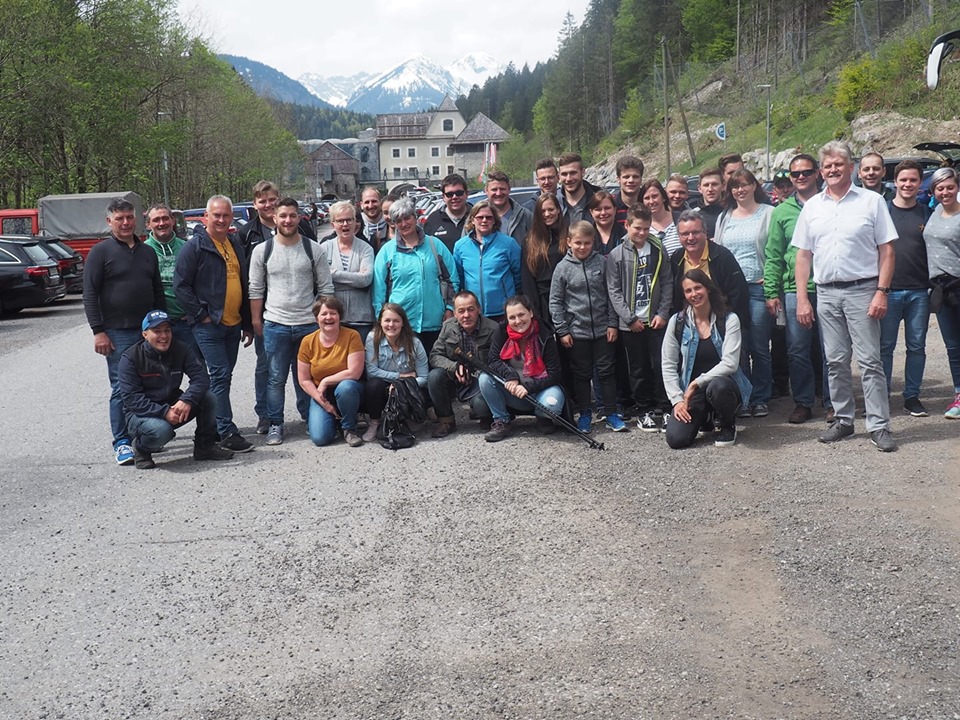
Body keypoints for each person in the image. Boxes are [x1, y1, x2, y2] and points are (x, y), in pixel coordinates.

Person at [792, 140, 898, 452]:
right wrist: (802, 298)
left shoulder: (871, 202)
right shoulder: (812, 207)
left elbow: (887, 250)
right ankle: (843, 419)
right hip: (826, 293)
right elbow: (803, 256)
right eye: (828, 166)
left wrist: (882, 291)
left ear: (851, 168)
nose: (833, 170)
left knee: (869, 361)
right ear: (821, 172)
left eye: (839, 164)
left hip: (863, 290)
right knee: (835, 360)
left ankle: (879, 425)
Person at [83, 198, 165, 465]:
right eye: (120, 218)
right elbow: (89, 294)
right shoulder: (100, 252)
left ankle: (143, 434)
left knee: (149, 384)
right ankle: (121, 442)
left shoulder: (147, 252)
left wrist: (162, 327)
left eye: (129, 217)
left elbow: (157, 292)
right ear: (110, 222)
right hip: (116, 332)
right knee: (121, 387)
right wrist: (98, 331)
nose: (126, 222)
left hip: (147, 332)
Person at [248, 198, 335, 446]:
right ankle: (276, 423)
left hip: (308, 325)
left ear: (299, 218)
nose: (287, 220)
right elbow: (255, 288)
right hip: (275, 324)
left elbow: (326, 288)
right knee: (275, 378)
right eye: (283, 216)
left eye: (292, 216)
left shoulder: (313, 250)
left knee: (305, 377)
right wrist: (256, 321)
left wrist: (325, 321)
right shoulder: (262, 251)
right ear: (274, 218)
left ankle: (309, 418)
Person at [174, 195, 255, 454]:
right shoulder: (195, 247)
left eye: (226, 215)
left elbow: (242, 283)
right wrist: (201, 315)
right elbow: (181, 286)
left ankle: (215, 428)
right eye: (216, 215)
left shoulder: (233, 243)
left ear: (232, 218)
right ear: (205, 217)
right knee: (219, 377)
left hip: (232, 324)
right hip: (209, 326)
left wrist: (247, 323)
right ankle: (225, 431)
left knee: (223, 378)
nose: (221, 220)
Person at [237, 180, 316, 435]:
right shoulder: (247, 234)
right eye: (263, 201)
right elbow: (247, 282)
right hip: (270, 318)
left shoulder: (303, 229)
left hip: (304, 316)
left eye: (272, 199)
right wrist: (252, 321)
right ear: (255, 204)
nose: (268, 205)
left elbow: (314, 271)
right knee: (269, 370)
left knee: (303, 370)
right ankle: (267, 417)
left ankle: (308, 415)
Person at [118, 310, 234, 468]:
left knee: (209, 397)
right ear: (145, 334)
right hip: (140, 414)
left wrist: (186, 400)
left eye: (167, 330)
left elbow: (201, 378)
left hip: (173, 405)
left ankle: (205, 447)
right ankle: (141, 448)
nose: (164, 336)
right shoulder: (130, 358)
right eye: (157, 331)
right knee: (161, 431)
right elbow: (132, 399)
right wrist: (164, 412)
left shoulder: (181, 349)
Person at [764, 153, 831, 424]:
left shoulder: (831, 204)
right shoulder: (781, 212)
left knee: (831, 349)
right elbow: (773, 255)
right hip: (794, 290)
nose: (801, 177)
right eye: (795, 174)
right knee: (797, 349)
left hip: (828, 286)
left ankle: (832, 402)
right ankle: (803, 402)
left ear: (817, 173)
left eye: (806, 172)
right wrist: (771, 292)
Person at [662, 270, 753, 449]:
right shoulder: (677, 322)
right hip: (691, 392)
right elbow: (668, 364)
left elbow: (730, 364)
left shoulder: (729, 320)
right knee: (676, 440)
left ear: (708, 289)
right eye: (688, 291)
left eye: (698, 288)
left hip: (723, 386)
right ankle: (704, 418)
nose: (694, 294)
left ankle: (727, 425)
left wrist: (696, 383)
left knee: (718, 386)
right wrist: (677, 400)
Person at [550, 221, 626, 432]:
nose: (582, 247)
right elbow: (555, 301)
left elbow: (612, 294)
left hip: (603, 330)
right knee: (581, 375)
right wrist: (562, 330)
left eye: (587, 243)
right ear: (569, 243)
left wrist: (613, 323)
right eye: (578, 243)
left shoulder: (602, 263)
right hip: (577, 333)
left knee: (606, 372)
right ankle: (584, 414)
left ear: (593, 242)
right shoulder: (562, 268)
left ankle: (611, 412)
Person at [607, 205, 674, 431]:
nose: (642, 233)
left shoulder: (658, 248)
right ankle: (643, 411)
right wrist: (629, 318)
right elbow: (614, 291)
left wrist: (663, 313)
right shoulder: (617, 255)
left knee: (660, 365)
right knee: (638, 369)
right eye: (637, 228)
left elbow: (667, 282)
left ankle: (665, 409)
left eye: (646, 229)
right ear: (627, 226)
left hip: (655, 319)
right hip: (632, 324)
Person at [715, 168, 774, 417]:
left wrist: (770, 283)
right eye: (735, 186)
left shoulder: (769, 213)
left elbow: (774, 251)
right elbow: (718, 253)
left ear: (754, 186)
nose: (740, 190)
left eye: (745, 184)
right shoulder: (725, 217)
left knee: (760, 346)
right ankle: (744, 397)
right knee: (738, 348)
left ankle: (761, 397)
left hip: (758, 288)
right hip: (731, 292)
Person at [372, 197, 459, 354]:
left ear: (415, 217)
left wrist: (450, 308)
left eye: (407, 218)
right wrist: (382, 318)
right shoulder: (387, 251)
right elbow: (379, 289)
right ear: (393, 223)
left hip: (436, 322)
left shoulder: (435, 245)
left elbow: (452, 279)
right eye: (398, 220)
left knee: (436, 372)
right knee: (408, 372)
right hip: (401, 325)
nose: (404, 224)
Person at [880, 160, 932, 417]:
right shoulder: (884, 211)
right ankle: (882, 396)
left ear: (920, 182)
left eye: (913, 180)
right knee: (885, 347)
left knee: (917, 346)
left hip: (919, 290)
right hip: (888, 290)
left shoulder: (926, 213)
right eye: (903, 180)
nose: (908, 184)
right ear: (895, 182)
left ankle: (912, 396)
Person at [479, 295, 566, 442]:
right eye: (512, 317)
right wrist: (511, 376)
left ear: (530, 313)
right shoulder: (501, 332)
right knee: (484, 378)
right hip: (514, 392)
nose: (518, 321)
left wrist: (529, 388)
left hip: (539, 390)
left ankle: (542, 417)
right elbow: (493, 360)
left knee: (552, 404)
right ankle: (501, 421)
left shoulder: (545, 334)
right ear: (507, 319)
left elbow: (555, 373)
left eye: (521, 315)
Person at [427, 291, 498, 437]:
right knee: (434, 377)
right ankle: (446, 421)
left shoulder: (493, 329)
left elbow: (499, 362)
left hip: (481, 380)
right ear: (455, 313)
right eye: (461, 311)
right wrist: (454, 367)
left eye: (470, 309)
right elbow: (435, 355)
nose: (466, 315)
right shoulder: (447, 327)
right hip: (455, 377)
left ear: (479, 309)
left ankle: (486, 416)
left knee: (480, 406)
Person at [296, 296, 365, 447]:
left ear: (339, 316)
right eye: (324, 314)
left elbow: (354, 372)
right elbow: (304, 380)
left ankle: (349, 428)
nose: (329, 317)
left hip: (348, 389)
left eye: (333, 313)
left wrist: (326, 381)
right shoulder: (307, 341)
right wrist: (324, 403)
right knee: (321, 438)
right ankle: (334, 421)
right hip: (322, 394)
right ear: (316, 319)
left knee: (346, 387)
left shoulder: (352, 336)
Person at [670, 210, 750, 332]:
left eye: (695, 232)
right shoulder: (676, 258)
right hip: (689, 324)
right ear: (679, 237)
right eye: (685, 234)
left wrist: (729, 324)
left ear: (705, 232)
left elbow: (738, 294)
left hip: (722, 322)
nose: (691, 238)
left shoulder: (722, 256)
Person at [923, 167, 960, 418]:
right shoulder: (934, 211)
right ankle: (959, 393)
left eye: (949, 187)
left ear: (957, 188)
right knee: (953, 346)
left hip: (959, 284)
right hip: (940, 289)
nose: (945, 192)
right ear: (934, 191)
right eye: (940, 188)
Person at [362, 303, 429, 442]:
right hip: (383, 388)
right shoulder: (372, 338)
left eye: (396, 321)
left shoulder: (415, 343)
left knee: (423, 391)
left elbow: (424, 377)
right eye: (387, 320)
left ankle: (408, 419)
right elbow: (372, 372)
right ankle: (374, 422)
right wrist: (399, 377)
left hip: (406, 391)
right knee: (373, 385)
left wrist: (401, 385)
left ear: (403, 323)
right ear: (380, 321)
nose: (391, 325)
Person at [453, 200, 522, 322]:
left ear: (494, 220)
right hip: (473, 313)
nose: (484, 220)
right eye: (480, 217)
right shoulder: (460, 246)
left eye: (489, 217)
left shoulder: (508, 244)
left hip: (503, 311)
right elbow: (459, 278)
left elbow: (519, 275)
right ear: (472, 220)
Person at [318, 200, 375, 341]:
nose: (345, 224)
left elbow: (365, 279)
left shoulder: (365, 248)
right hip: (334, 319)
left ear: (355, 222)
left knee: (360, 361)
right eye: (340, 221)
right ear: (333, 224)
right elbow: (320, 280)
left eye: (349, 220)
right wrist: (354, 279)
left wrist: (333, 274)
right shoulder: (324, 248)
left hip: (361, 318)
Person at [144, 203, 196, 356]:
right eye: (156, 220)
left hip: (187, 322)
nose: (161, 223)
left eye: (165, 218)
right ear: (148, 225)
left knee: (197, 369)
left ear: (173, 220)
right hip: (157, 326)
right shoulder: (142, 251)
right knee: (160, 374)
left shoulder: (188, 247)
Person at [520, 193, 568, 327]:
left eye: (551, 209)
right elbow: (527, 279)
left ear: (558, 210)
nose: (547, 214)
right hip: (542, 301)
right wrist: (534, 310)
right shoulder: (530, 241)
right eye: (543, 211)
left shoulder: (568, 236)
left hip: (568, 299)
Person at [423, 173, 471, 252]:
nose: (454, 197)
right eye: (450, 194)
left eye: (459, 193)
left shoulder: (478, 217)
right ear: (443, 197)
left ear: (467, 194)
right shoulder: (433, 220)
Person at [485, 170, 533, 246]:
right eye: (494, 189)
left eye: (502, 189)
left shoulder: (526, 216)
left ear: (509, 189)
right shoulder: (477, 217)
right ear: (486, 191)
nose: (498, 193)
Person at [558, 152, 601, 224]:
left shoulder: (598, 199)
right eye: (564, 174)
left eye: (573, 173)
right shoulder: (554, 202)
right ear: (559, 175)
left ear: (583, 172)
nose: (568, 179)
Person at [642, 179, 681, 256]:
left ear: (663, 197)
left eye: (655, 196)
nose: (651, 201)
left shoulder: (680, 220)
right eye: (647, 198)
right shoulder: (642, 227)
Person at [588, 190, 625, 256]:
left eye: (607, 208)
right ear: (591, 212)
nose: (603, 213)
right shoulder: (586, 236)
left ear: (615, 209)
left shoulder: (625, 235)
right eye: (598, 209)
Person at [612, 156, 644, 228]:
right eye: (626, 177)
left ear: (641, 179)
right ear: (618, 179)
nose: (631, 180)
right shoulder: (610, 205)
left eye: (635, 177)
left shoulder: (648, 204)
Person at [696, 167, 725, 239]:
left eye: (714, 184)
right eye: (706, 185)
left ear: (723, 186)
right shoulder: (695, 217)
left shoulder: (733, 212)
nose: (710, 189)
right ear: (699, 189)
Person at [357, 187, 388, 252]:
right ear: (361, 205)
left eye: (374, 201)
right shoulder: (356, 225)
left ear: (381, 202)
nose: (370, 206)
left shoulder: (390, 222)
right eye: (367, 202)